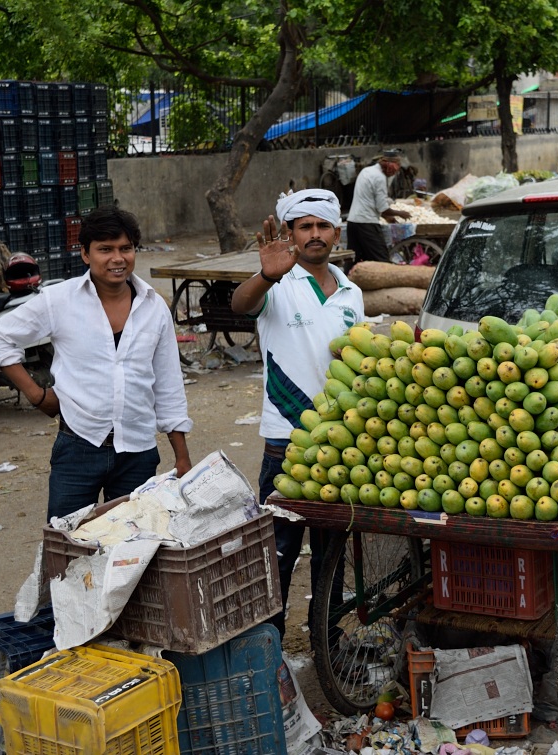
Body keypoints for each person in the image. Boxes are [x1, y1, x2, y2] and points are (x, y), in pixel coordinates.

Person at [0, 207, 193, 521]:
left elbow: (168, 384)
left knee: (134, 541)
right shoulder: (59, 300)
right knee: (67, 540)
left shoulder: (154, 308)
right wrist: (37, 394)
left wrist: (182, 458)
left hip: (138, 452)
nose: (117, 259)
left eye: (125, 248)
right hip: (77, 447)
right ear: (85, 254)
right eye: (105, 249)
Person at [230, 189, 365, 640]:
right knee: (277, 552)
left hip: (340, 439)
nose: (315, 234)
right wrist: (266, 276)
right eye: (304, 226)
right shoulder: (278, 285)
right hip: (285, 441)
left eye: (323, 225)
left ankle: (328, 638)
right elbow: (241, 305)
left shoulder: (351, 292)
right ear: (290, 234)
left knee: (332, 551)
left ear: (336, 233)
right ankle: (268, 645)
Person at [346, 151, 411, 265]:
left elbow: (370, 201)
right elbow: (382, 207)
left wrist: (387, 217)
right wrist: (400, 213)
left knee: (353, 260)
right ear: (389, 167)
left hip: (352, 222)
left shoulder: (366, 171)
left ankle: (346, 276)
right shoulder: (379, 177)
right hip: (367, 223)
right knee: (381, 260)